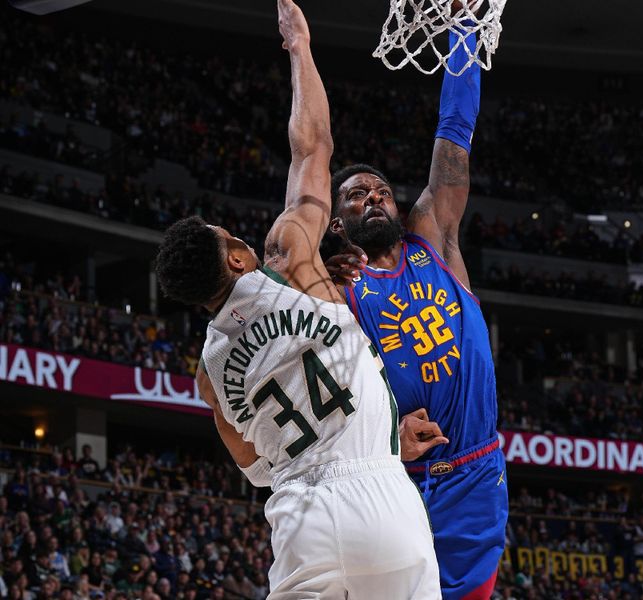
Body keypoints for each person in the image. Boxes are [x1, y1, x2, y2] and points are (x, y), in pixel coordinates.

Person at [153, 1, 439, 599]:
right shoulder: (290, 257)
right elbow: (313, 147)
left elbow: (255, 465)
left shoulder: (209, 374)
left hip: (300, 518)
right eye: (227, 234)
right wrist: (300, 48)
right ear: (236, 257)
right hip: (387, 505)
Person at [324, 16, 507, 600]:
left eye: (380, 191)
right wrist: (383, 441)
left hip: (475, 471)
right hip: (394, 480)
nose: (374, 198)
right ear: (337, 222)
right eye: (357, 195)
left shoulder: (433, 238)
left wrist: (463, 30)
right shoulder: (334, 291)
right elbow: (323, 409)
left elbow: (454, 135)